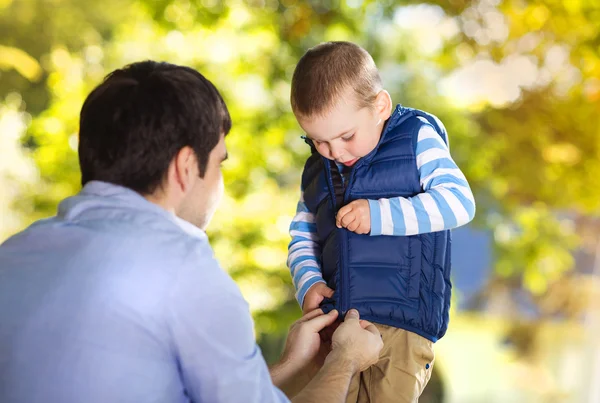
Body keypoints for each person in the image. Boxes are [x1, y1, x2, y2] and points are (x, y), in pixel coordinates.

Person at [0, 60, 384, 403]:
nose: (219, 183)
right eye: (219, 163)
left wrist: (291, 365)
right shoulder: (184, 272)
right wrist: (345, 359)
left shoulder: (13, 256)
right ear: (186, 167)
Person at [287, 41, 476, 402]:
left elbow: (459, 202)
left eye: (345, 136)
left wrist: (379, 215)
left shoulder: (417, 137)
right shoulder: (316, 169)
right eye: (318, 141)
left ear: (380, 106)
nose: (335, 152)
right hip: (340, 327)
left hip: (404, 326)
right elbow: (302, 235)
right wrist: (308, 282)